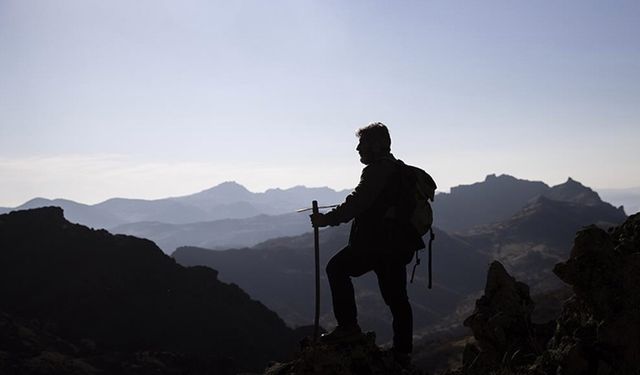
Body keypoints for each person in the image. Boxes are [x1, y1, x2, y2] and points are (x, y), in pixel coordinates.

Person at [310, 122, 424, 364]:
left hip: (374, 245)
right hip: (398, 245)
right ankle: (402, 354)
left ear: (375, 145)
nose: (358, 149)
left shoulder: (376, 171)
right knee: (397, 300)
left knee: (336, 268)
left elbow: (356, 203)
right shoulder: (398, 169)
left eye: (362, 144)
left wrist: (325, 220)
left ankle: (348, 327)